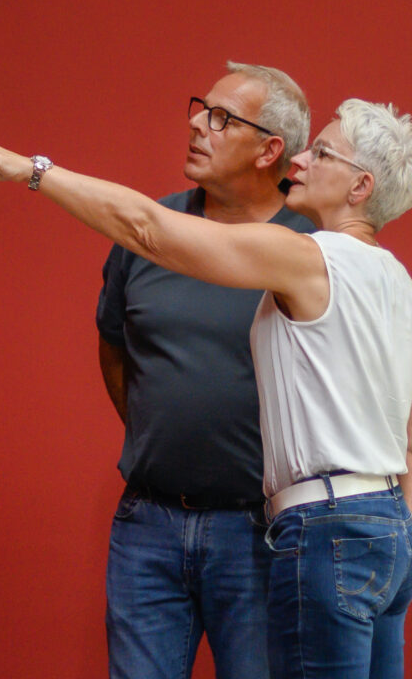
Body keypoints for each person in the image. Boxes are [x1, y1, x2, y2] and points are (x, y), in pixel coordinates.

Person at [0, 95, 412, 679]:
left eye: (321, 152)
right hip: (386, 525)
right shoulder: (394, 275)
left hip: (325, 527)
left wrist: (35, 171)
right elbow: (403, 427)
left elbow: (148, 228)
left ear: (360, 187)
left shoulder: (309, 257)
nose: (301, 159)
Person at [97, 64, 313, 679]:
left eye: (221, 118)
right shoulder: (148, 231)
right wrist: (163, 434)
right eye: (201, 108)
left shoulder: (309, 248)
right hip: (147, 525)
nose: (197, 123)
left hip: (262, 532)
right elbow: (114, 345)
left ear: (270, 150)